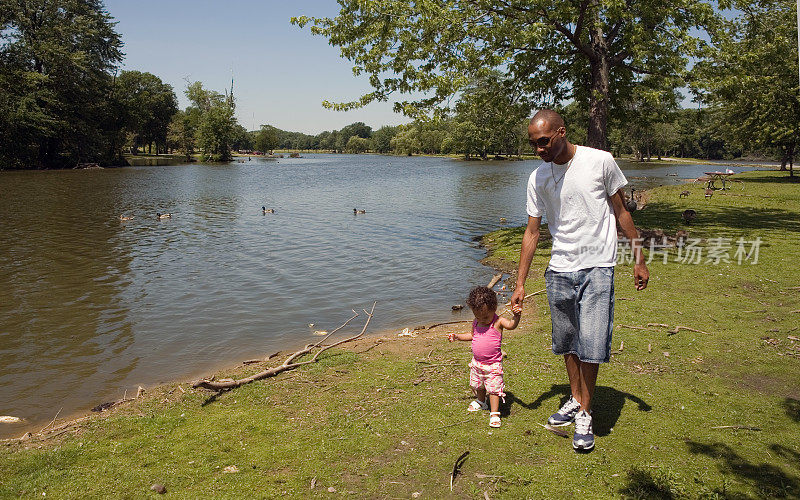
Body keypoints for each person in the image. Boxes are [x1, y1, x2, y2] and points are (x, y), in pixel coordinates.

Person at [510, 109, 649, 452]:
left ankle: (585, 411)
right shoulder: (537, 178)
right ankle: (575, 398)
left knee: (591, 343)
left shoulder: (599, 161)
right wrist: (520, 283)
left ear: (561, 133)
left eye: (543, 141)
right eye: (533, 144)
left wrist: (639, 257)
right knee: (568, 341)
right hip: (559, 268)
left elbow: (621, 211)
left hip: (597, 265)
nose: (538, 149)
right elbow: (532, 232)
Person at [448, 286, 522, 428]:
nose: (482, 320)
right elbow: (472, 335)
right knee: (479, 385)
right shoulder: (476, 323)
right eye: (478, 317)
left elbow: (511, 325)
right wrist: (457, 336)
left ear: (494, 308)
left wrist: (516, 316)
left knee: (493, 390)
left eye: (485, 317)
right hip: (477, 363)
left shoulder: (498, 322)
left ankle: (494, 413)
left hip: (493, 364)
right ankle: (481, 402)